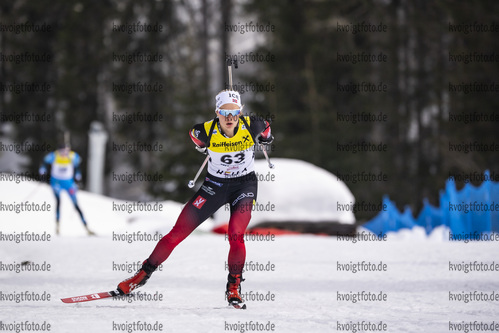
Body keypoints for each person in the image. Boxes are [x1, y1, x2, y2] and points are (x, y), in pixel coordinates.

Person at [117, 89, 273, 305]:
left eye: (234, 112)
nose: (229, 118)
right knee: (176, 233)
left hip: (243, 186)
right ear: (216, 112)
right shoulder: (203, 131)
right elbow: (197, 141)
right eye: (224, 112)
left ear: (241, 112)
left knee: (236, 235)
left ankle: (233, 287)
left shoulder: (252, 125)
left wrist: (265, 138)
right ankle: (141, 276)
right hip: (214, 186)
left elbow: (266, 129)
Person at [39, 143, 94, 236]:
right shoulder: (54, 156)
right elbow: (45, 162)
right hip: (56, 182)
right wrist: (43, 170)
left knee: (76, 204)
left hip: (68, 183)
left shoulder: (72, 156)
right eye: (62, 151)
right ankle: (57, 226)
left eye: (66, 151)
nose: (64, 153)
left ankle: (86, 226)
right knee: (58, 202)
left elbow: (77, 166)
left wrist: (78, 174)